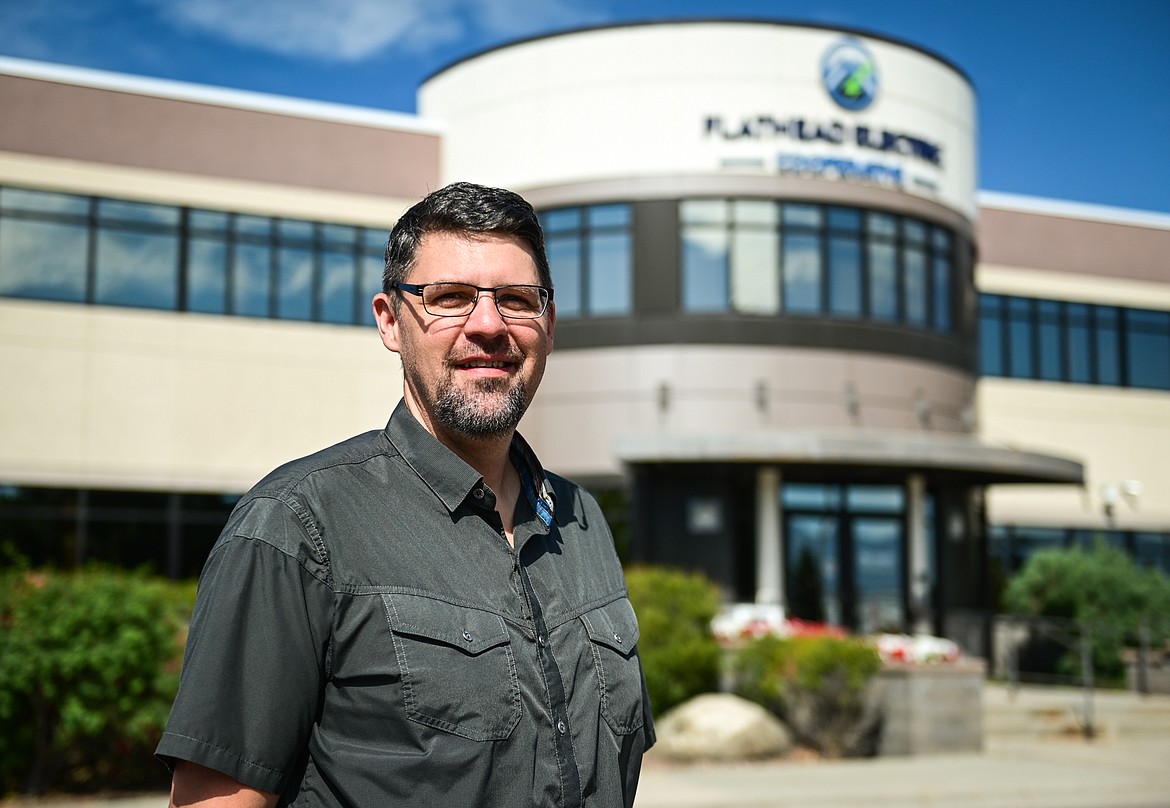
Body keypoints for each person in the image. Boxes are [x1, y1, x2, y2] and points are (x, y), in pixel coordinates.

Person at [157, 182, 655, 808]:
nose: (488, 326)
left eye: (516, 300)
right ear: (391, 322)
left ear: (547, 326)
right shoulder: (295, 525)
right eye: (448, 299)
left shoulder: (583, 523)